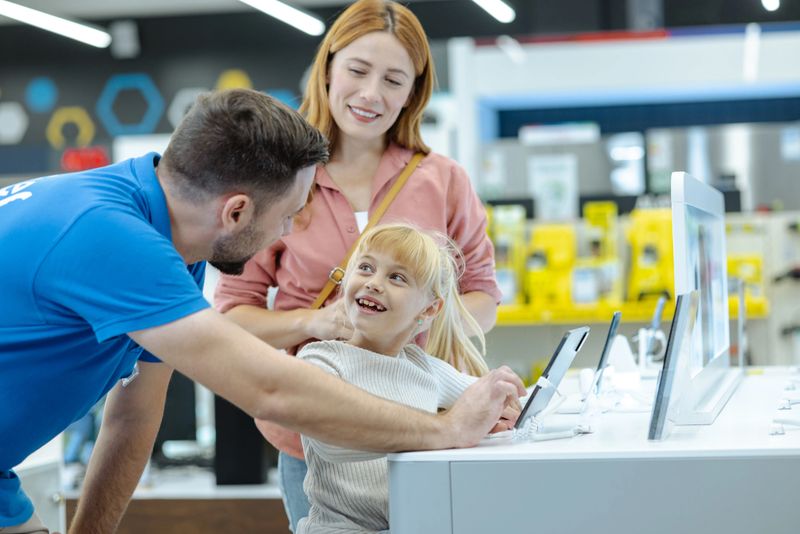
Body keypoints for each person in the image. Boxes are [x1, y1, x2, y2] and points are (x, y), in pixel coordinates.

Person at [0, 88, 525, 534]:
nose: (290, 233)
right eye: (290, 217)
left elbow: (134, 413)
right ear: (236, 211)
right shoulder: (110, 236)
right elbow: (269, 388)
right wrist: (443, 431)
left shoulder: (164, 237)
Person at [213, 1, 502, 528]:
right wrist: (315, 322)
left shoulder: (443, 179)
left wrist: (420, 323)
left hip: (423, 427)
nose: (371, 95)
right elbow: (232, 317)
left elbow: (482, 293)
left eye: (394, 80)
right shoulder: (277, 179)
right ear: (328, 69)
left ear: (413, 92)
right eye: (358, 70)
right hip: (311, 436)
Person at [297, 223, 514, 534]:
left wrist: (503, 396)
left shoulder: (422, 367)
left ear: (429, 309)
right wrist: (456, 424)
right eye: (365, 267)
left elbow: (485, 399)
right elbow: (331, 439)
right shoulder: (320, 361)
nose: (373, 283)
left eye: (396, 277)